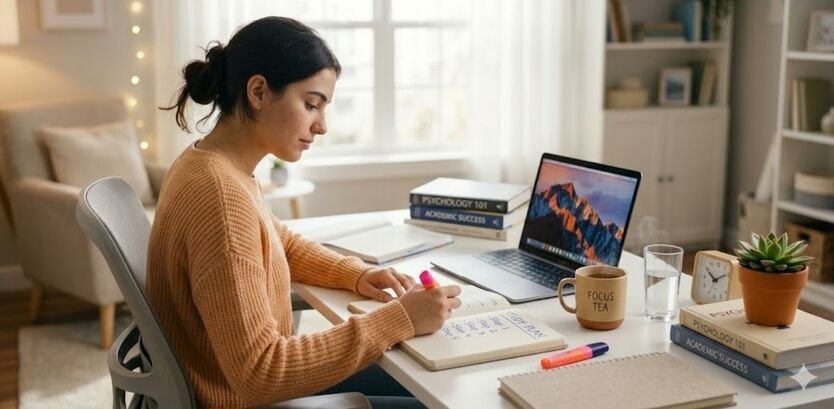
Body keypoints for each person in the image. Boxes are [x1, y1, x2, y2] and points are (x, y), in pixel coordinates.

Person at [148, 16, 462, 409]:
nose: (322, 126)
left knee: (435, 375)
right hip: (246, 398)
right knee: (448, 395)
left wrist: (357, 274)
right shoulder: (220, 197)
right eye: (311, 104)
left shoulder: (211, 164)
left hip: (240, 388)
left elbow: (278, 242)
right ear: (258, 91)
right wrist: (400, 317)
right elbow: (261, 374)